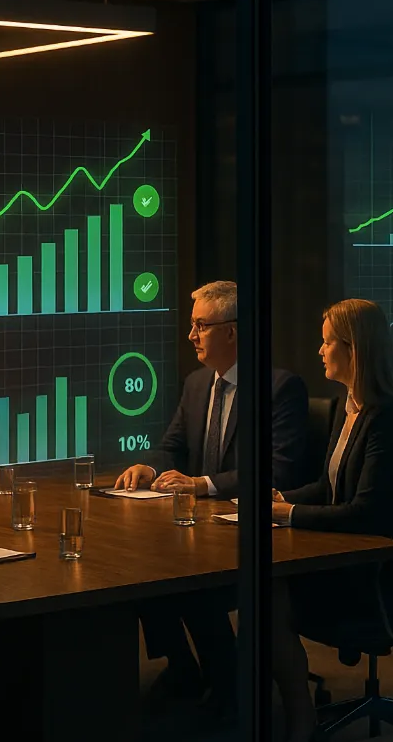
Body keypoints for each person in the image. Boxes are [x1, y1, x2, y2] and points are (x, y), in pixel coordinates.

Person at [111, 280, 311, 714]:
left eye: (201, 325)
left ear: (232, 332)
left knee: (188, 582)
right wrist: (151, 466)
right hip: (199, 530)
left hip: (250, 535)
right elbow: (174, 447)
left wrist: (203, 485)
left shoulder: (279, 389)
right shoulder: (198, 383)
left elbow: (277, 471)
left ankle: (227, 688)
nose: (192, 335)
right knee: (139, 567)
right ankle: (183, 666)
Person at [269, 298, 393, 742]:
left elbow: (365, 511)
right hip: (344, 552)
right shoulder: (347, 406)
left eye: (327, 343)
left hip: (376, 570)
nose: (319, 351)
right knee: (268, 592)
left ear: (353, 350)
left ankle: (299, 720)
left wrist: (289, 515)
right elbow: (328, 486)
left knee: (272, 598)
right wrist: (280, 498)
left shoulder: (388, 417)